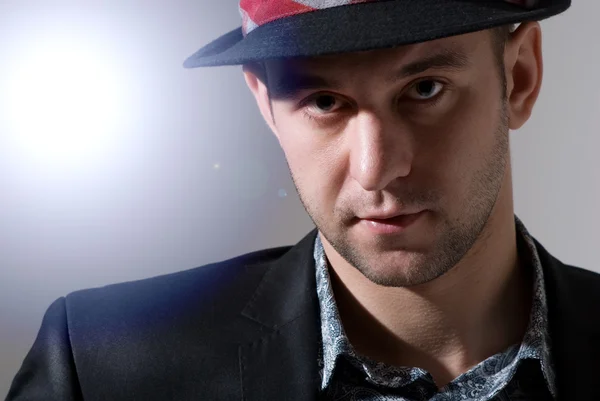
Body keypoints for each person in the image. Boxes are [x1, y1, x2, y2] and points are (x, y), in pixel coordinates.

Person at [7, 0, 599, 400]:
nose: (376, 169)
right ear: (265, 104)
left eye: (424, 89)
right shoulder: (103, 372)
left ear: (519, 76)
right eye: (322, 101)